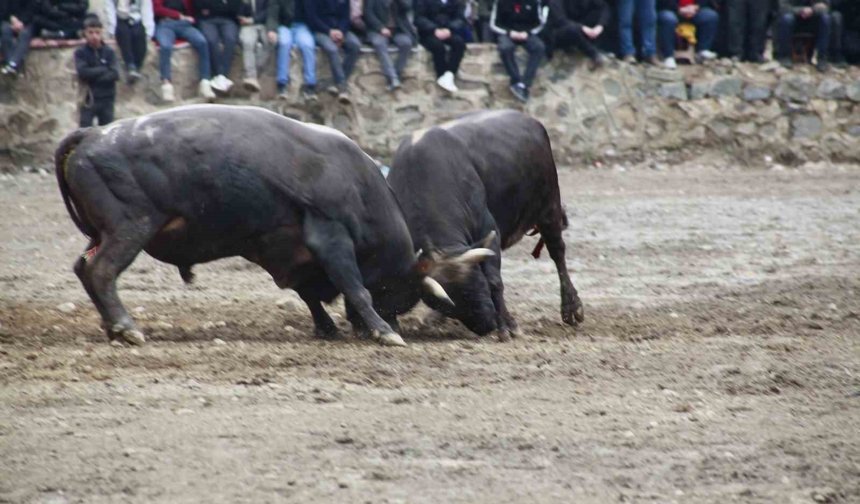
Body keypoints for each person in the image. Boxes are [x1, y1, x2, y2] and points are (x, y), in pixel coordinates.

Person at [154, 0, 215, 102]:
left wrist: (190, 19)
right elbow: (157, 9)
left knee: (202, 42)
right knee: (165, 46)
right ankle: (166, 83)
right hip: (166, 23)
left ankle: (205, 81)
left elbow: (193, 9)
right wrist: (178, 15)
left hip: (184, 24)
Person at [489, 0, 547, 103]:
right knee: (505, 48)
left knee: (539, 47)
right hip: (507, 34)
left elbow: (539, 23)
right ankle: (515, 80)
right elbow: (494, 24)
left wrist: (528, 33)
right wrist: (509, 33)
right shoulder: (500, 2)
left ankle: (525, 83)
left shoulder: (534, 2)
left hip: (527, 34)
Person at [304, 0, 360, 103]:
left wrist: (341, 32)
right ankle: (342, 87)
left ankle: (335, 83)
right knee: (332, 49)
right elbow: (312, 18)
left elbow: (345, 17)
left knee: (355, 45)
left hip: (340, 31)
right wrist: (329, 31)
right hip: (320, 31)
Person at [267, 0, 318, 100]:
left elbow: (314, 13)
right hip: (284, 25)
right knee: (284, 43)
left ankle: (310, 85)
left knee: (308, 45)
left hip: (302, 26)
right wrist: (272, 29)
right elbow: (272, 14)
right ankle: (282, 84)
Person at [75, 15, 119, 127]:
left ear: (101, 33)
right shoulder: (81, 52)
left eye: (97, 32)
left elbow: (115, 74)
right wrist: (104, 69)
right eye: (91, 32)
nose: (94, 36)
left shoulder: (109, 52)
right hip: (89, 98)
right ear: (85, 33)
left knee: (107, 131)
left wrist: (93, 75)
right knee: (84, 130)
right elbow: (83, 72)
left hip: (107, 98)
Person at [415, 0, 467, 93]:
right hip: (428, 33)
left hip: (448, 31)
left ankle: (449, 74)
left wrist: (450, 29)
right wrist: (433, 29)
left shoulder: (456, 2)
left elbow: (460, 18)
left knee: (459, 43)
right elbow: (419, 18)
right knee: (438, 47)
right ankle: (441, 74)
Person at [364, 0, 416, 91]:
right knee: (379, 44)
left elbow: (407, 7)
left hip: (398, 30)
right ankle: (393, 78)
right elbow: (368, 13)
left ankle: (396, 75)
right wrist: (380, 28)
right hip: (378, 30)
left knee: (406, 43)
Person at [545, 0, 609, 69]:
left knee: (597, 14)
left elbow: (604, 7)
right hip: (557, 32)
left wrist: (600, 25)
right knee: (572, 30)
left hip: (577, 24)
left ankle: (595, 44)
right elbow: (560, 20)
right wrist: (582, 28)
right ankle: (593, 53)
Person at [196, 0, 242, 93]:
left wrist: (212, 7)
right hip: (207, 20)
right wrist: (223, 4)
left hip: (228, 20)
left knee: (230, 39)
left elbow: (235, 8)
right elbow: (198, 4)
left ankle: (221, 75)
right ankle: (219, 74)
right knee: (211, 40)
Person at [656, 0, 718, 68]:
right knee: (668, 19)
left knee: (710, 16)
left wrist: (696, 7)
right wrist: (679, 9)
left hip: (693, 10)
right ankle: (668, 56)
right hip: (671, 9)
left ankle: (702, 50)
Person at [104, 0, 155, 84]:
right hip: (120, 19)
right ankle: (130, 64)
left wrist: (148, 31)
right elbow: (109, 8)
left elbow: (147, 11)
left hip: (137, 19)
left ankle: (137, 66)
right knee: (124, 34)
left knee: (139, 35)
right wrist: (112, 29)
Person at [776, 0, 831, 71]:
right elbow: (783, 7)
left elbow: (826, 7)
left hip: (813, 18)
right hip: (796, 18)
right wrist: (801, 10)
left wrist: (812, 10)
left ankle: (822, 58)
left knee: (825, 19)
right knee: (786, 19)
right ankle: (785, 57)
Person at [238, 0, 268, 92]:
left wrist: (253, 20)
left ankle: (256, 73)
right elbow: (237, 12)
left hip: (265, 24)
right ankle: (251, 77)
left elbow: (269, 12)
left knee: (267, 44)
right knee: (248, 43)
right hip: (247, 26)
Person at [0, 0, 35, 76]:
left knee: (25, 34)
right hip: (9, 21)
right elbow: (3, 11)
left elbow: (32, 11)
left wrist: (21, 22)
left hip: (26, 22)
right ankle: (11, 63)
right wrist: (12, 19)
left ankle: (13, 63)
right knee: (5, 30)